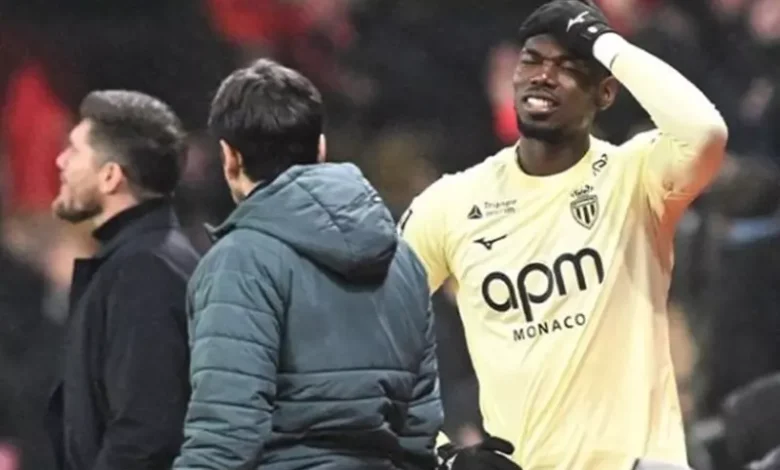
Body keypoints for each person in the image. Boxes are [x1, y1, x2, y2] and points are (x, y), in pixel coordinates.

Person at [400, 1, 728, 469]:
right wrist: (443, 455)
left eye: (568, 67)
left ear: (605, 92)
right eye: (531, 61)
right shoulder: (449, 204)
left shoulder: (637, 176)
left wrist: (602, 41)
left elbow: (705, 131)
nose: (543, 76)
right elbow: (367, 337)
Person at [172, 59, 442, 470]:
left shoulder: (239, 260)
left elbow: (226, 437)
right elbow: (420, 430)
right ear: (320, 147)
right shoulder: (403, 258)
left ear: (229, 157)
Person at [45, 90, 201, 470]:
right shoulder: (139, 259)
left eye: (74, 150)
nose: (60, 161)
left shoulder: (146, 270)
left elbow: (145, 433)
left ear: (110, 176)